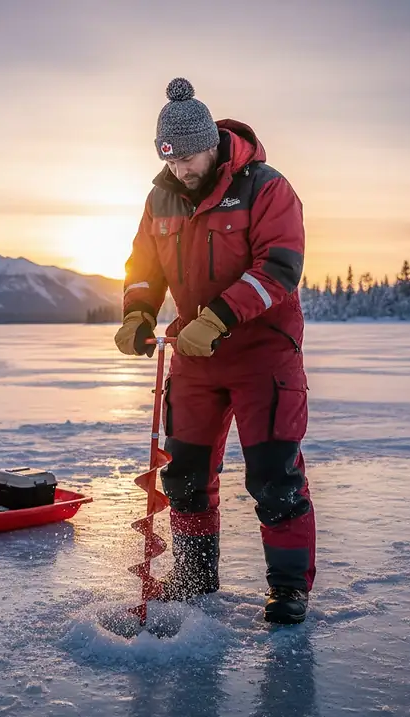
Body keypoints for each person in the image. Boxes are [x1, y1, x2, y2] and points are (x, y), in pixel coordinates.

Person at [114, 77, 316, 625]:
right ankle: (196, 582)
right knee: (184, 476)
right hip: (195, 357)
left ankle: (289, 590)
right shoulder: (160, 197)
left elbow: (280, 266)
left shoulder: (266, 188)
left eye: (188, 157)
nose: (180, 169)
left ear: (212, 143)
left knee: (274, 478)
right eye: (170, 159)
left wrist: (220, 318)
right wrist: (137, 311)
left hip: (263, 355)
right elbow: (143, 267)